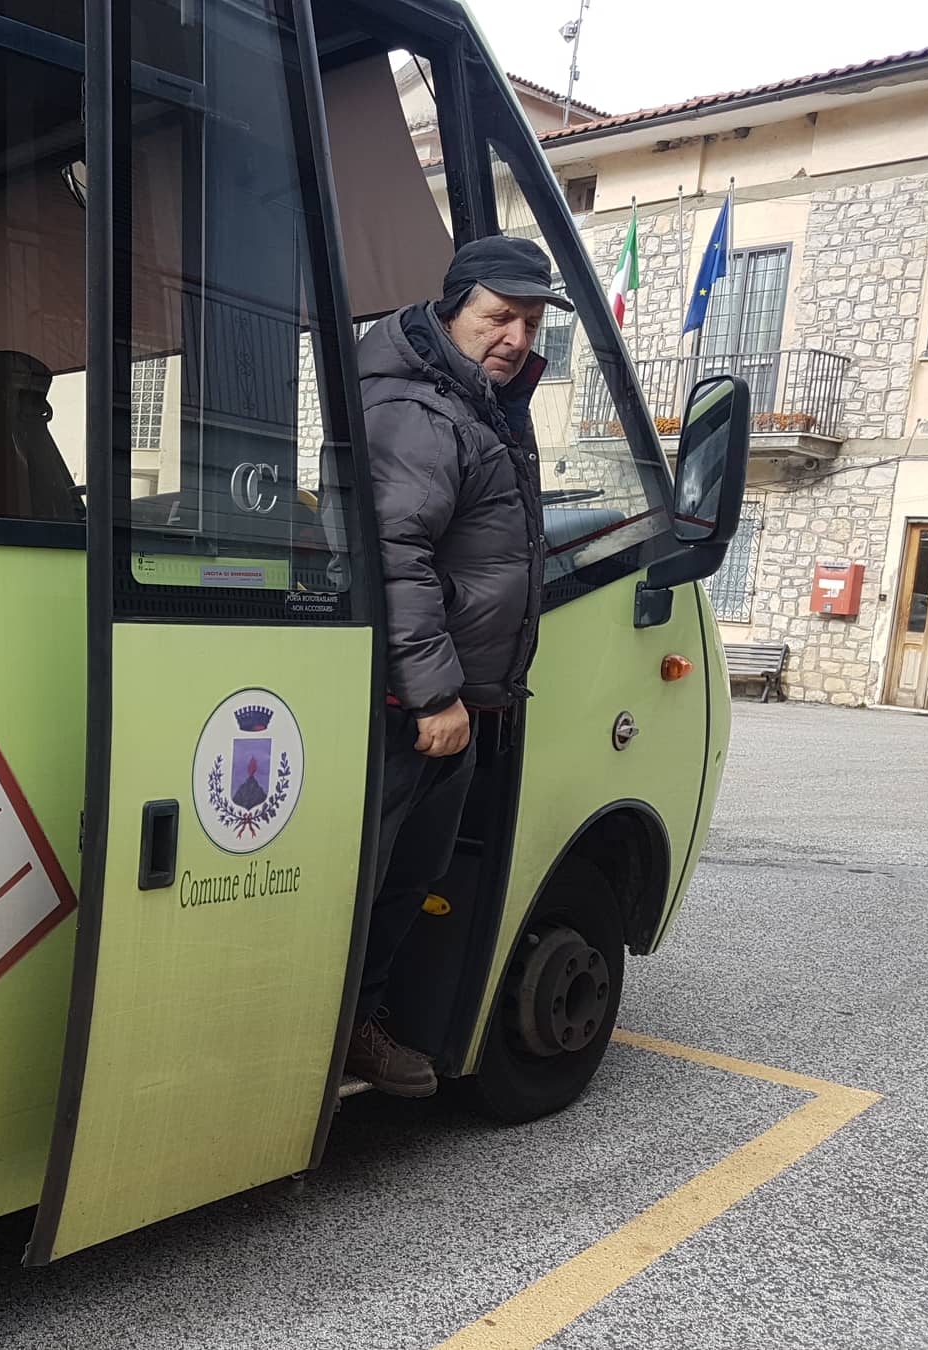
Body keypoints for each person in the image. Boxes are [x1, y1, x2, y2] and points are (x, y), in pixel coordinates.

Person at [340, 235, 570, 1097]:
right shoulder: (420, 410)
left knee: (409, 875)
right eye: (498, 316)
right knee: (374, 879)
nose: (515, 335)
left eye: (531, 319)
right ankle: (331, 1035)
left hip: (450, 709)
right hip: (412, 711)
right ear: (453, 309)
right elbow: (392, 551)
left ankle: (356, 1022)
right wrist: (434, 693)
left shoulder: (473, 403)